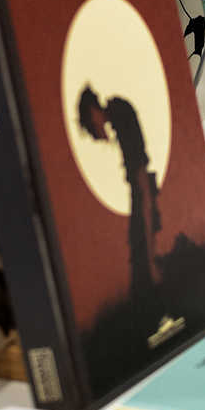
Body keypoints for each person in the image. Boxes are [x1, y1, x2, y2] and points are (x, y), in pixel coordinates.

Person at [78, 85, 162, 293]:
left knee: (141, 247)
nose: (92, 132)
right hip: (141, 186)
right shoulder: (118, 113)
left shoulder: (120, 113)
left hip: (142, 187)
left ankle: (151, 274)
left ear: (93, 112)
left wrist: (151, 262)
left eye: (90, 124)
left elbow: (140, 179)